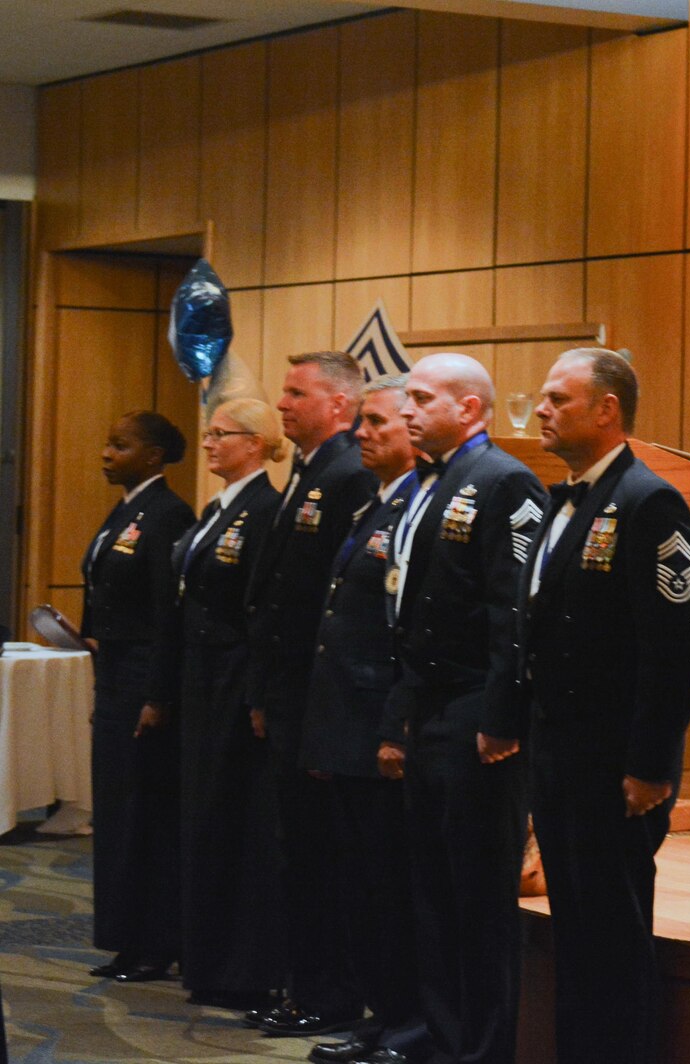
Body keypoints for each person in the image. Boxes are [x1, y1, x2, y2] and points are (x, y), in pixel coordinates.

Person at [519, 348, 690, 1064]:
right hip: (560, 756)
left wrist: (653, 764)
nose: (541, 409)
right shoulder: (566, 498)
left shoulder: (649, 501)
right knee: (576, 931)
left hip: (616, 764)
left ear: (607, 411)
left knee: (616, 937)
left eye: (558, 398)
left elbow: (670, 643)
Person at [382, 353, 547, 1064]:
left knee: (478, 898)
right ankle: (441, 1037)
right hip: (431, 706)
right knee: (433, 892)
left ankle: (482, 1048)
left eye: (422, 398)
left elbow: (515, 608)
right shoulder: (431, 480)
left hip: (478, 712)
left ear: (470, 409)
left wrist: (502, 715)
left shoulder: (505, 481)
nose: (408, 410)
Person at [241, 350, 377, 1037]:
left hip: (319, 697)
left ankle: (327, 993)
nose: (283, 404)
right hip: (290, 692)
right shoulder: (308, 471)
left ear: (339, 404)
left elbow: (334, 604)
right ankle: (303, 983)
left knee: (321, 855)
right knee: (295, 849)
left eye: (297, 393)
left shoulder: (350, 474)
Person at [300, 375, 424, 1064]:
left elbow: (405, 634)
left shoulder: (416, 505)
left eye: (378, 422)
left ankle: (406, 1023)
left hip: (381, 726)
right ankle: (383, 1019)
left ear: (415, 428)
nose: (361, 433)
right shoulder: (378, 504)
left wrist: (390, 728)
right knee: (363, 889)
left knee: (388, 887)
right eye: (362, 422)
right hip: (345, 725)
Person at [167, 398, 285, 1008]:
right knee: (203, 818)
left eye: (223, 434)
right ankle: (206, 957)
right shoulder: (218, 508)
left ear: (259, 443)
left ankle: (241, 966)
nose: (209, 443)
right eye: (207, 432)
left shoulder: (265, 510)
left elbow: (259, 608)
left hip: (235, 679)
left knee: (234, 821)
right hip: (201, 676)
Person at [83, 411, 195, 984]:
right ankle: (125, 938)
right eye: (108, 442)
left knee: (143, 818)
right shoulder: (127, 509)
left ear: (153, 456)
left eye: (119, 445)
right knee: (116, 815)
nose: (106, 453)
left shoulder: (168, 513)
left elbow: (165, 614)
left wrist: (158, 694)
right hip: (116, 676)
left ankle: (154, 942)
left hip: (144, 685)